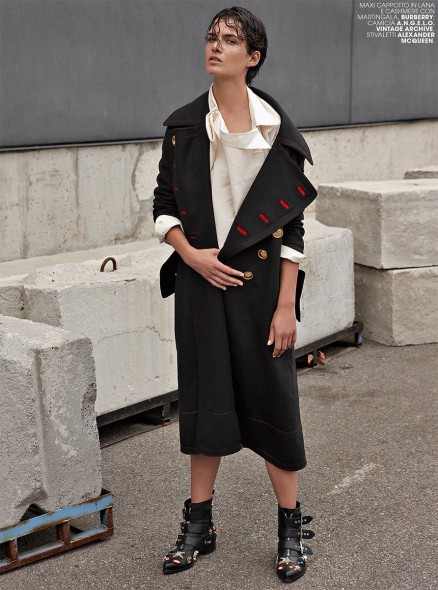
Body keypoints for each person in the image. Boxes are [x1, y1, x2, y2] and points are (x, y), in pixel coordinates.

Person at [153, 5, 317, 583]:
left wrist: (285, 306)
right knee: (206, 403)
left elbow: (292, 228)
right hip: (202, 284)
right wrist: (191, 255)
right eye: (211, 37)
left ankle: (291, 526)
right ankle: (199, 524)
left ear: (253, 57)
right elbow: (163, 207)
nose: (215, 46)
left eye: (229, 39)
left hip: (262, 289)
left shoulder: (278, 133)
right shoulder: (183, 127)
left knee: (275, 403)